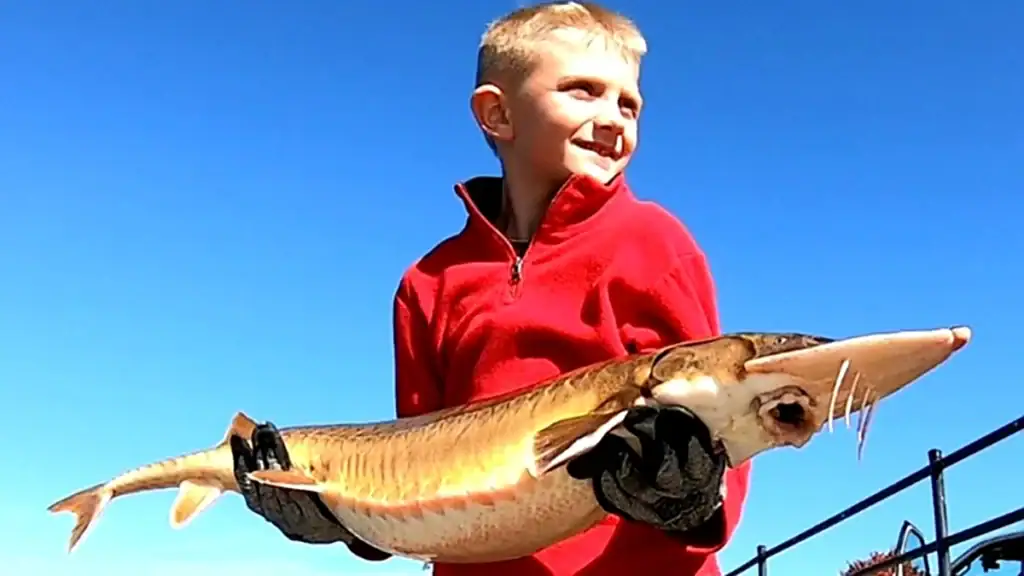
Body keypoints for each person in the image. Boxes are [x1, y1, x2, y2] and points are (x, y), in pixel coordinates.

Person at [229, 2, 751, 575]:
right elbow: (416, 465)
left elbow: (723, 413)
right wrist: (343, 517)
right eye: (583, 91)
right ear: (496, 114)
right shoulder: (426, 283)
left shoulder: (656, 243)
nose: (614, 118)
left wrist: (698, 504)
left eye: (629, 103)